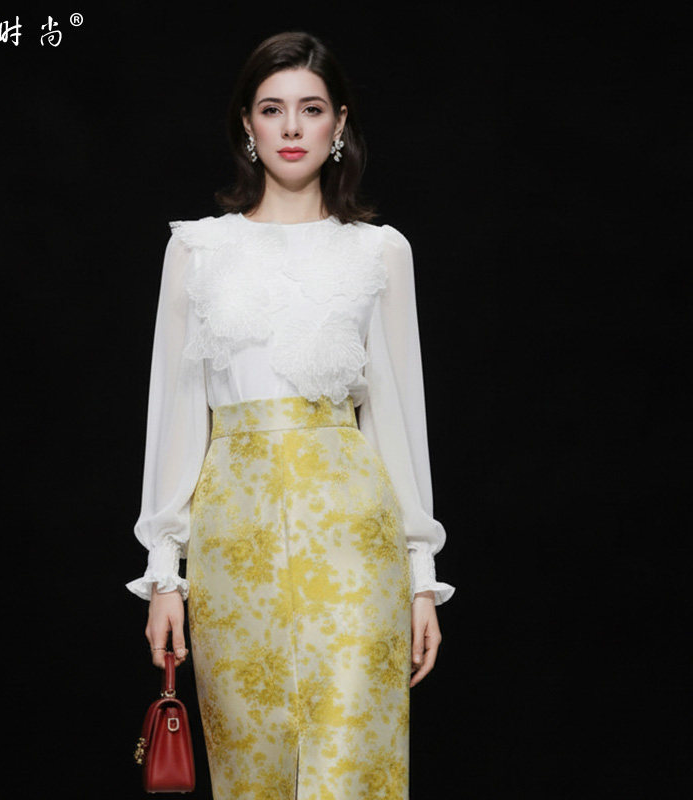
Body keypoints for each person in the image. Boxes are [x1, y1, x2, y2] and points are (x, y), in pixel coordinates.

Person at [126, 30, 455, 800]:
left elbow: (398, 421)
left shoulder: (379, 252)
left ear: (339, 123)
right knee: (254, 766)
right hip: (232, 541)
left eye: (311, 108)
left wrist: (421, 578)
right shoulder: (198, 252)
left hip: (354, 542)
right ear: (247, 124)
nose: (293, 127)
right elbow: (176, 416)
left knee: (351, 763)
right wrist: (165, 573)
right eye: (273, 109)